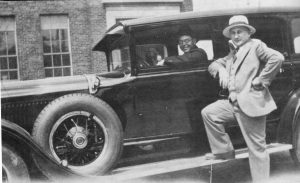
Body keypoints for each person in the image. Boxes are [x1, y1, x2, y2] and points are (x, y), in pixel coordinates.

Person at [201, 15, 284, 182]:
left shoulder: (256, 45)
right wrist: (221, 69)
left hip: (252, 104)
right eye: (233, 33)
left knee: (257, 149)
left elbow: (278, 58)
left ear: (248, 33)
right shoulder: (234, 52)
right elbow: (214, 64)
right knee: (209, 113)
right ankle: (224, 152)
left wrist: (262, 80)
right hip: (233, 104)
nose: (236, 36)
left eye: (240, 32)